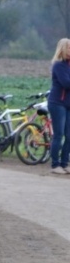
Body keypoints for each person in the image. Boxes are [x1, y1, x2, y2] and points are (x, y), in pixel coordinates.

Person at [48, 38, 70, 175]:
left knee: (69, 135)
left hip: (68, 104)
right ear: (63, 49)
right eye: (69, 48)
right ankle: (55, 164)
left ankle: (65, 163)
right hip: (57, 103)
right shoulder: (58, 65)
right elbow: (66, 83)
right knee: (59, 134)